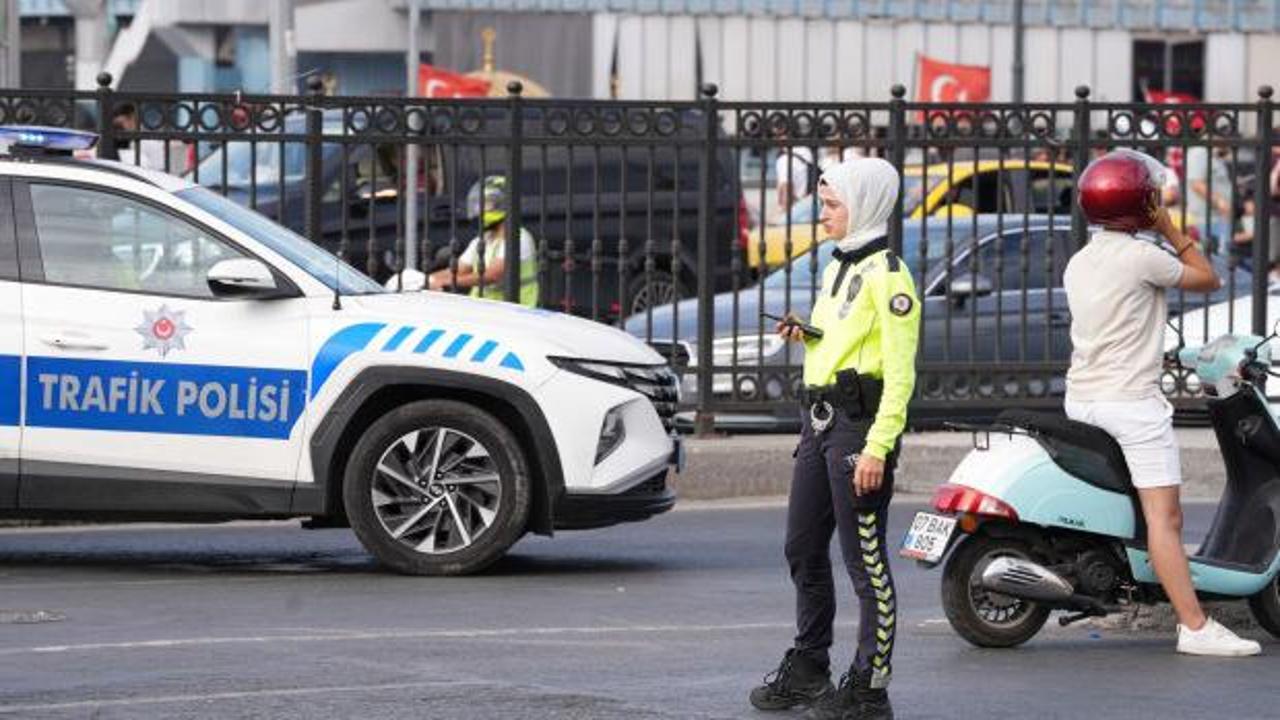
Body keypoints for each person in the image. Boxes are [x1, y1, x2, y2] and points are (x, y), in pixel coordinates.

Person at [1065, 149, 1261, 657]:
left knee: (1137, 511)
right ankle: (1195, 626)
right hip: (1131, 404)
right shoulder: (1142, 256)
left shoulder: (1080, 261)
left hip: (1084, 397)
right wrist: (1170, 228)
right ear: (1142, 202)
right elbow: (1207, 277)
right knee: (1166, 519)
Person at [750, 157, 920, 720]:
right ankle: (809, 667)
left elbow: (900, 372)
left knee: (865, 563)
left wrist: (878, 446)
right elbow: (844, 343)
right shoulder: (838, 267)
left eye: (830, 205)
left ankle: (870, 686)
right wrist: (809, 336)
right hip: (818, 421)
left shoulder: (889, 276)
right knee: (802, 546)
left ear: (864, 205)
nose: (821, 215)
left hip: (857, 429)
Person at [394, 176, 538, 307]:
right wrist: (424, 280)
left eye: (486, 204)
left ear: (502, 205)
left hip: (517, 308)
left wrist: (445, 282)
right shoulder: (483, 240)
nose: (478, 209)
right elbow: (459, 269)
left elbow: (491, 276)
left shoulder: (519, 238)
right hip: (486, 307)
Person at [1184, 145, 1234, 253]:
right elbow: (1196, 184)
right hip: (1207, 219)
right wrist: (1221, 203)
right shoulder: (1200, 152)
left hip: (1218, 218)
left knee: (1221, 258)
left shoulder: (1213, 154)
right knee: (1216, 259)